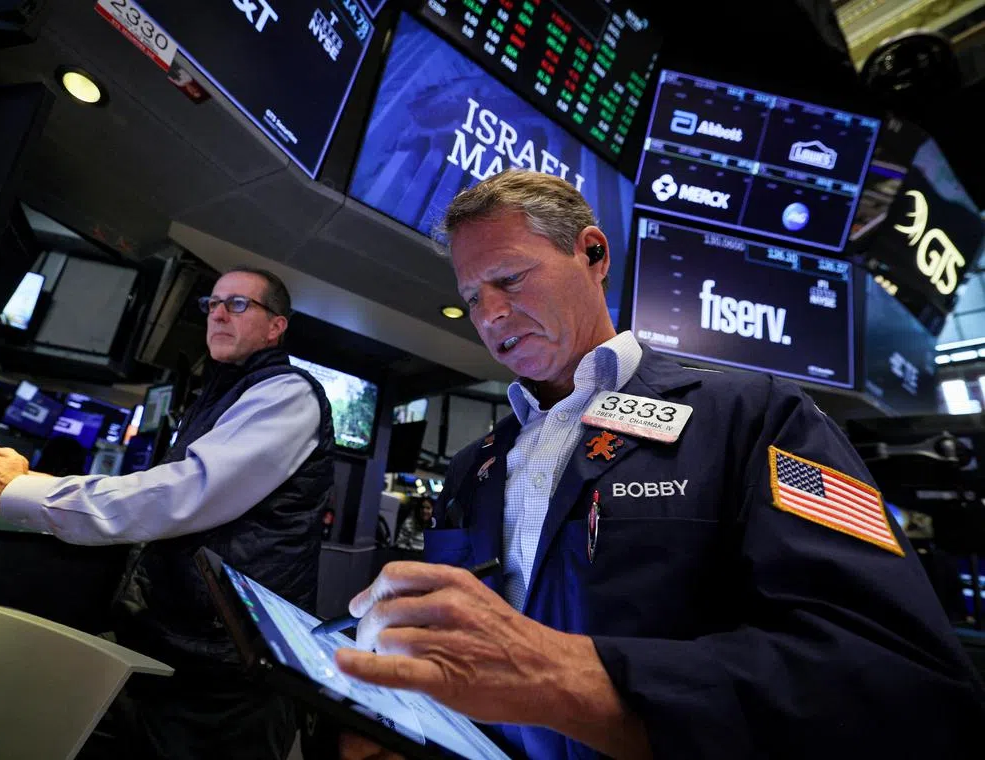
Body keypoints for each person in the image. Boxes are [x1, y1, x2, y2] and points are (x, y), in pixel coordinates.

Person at [333, 170, 985, 759]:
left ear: (593, 253)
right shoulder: (473, 465)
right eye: (473, 297)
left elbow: (900, 674)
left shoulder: (754, 417)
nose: (491, 314)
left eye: (509, 278)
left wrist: (574, 678)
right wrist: (403, 713)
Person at [0, 267, 336, 760]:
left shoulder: (288, 394)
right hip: (183, 647)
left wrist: (17, 493)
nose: (217, 315)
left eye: (237, 305)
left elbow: (181, 495)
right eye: (211, 304)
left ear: (276, 326)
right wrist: (32, 483)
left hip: (232, 670)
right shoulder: (222, 392)